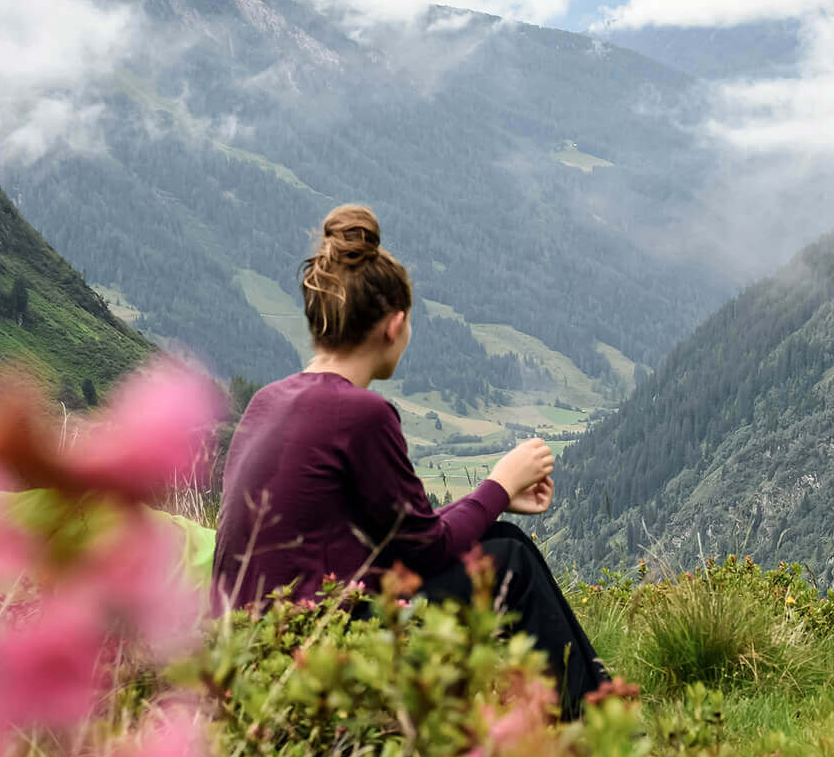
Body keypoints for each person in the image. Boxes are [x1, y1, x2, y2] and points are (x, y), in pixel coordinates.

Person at [213, 203, 608, 715]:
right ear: (394, 325)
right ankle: (599, 734)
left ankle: (580, 718)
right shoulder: (360, 413)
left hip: (246, 653)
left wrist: (494, 501)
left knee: (500, 539)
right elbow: (425, 549)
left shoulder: (268, 401)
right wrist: (498, 485)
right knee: (511, 561)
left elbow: (400, 537)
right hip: (317, 650)